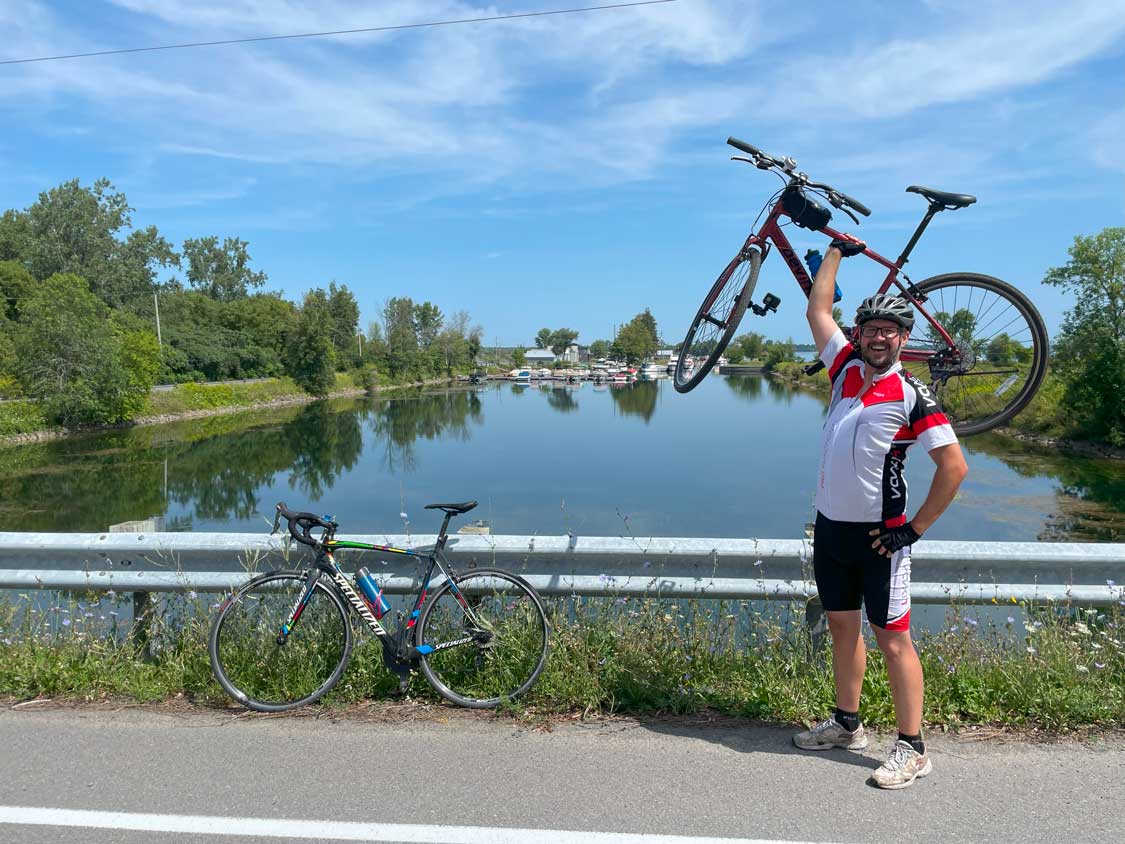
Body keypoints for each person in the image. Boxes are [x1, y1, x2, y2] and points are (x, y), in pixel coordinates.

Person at [793, 238, 969, 789]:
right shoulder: (843, 367)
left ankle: (913, 748)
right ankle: (848, 725)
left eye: (888, 330)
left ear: (903, 338)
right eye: (868, 329)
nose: (876, 337)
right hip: (830, 530)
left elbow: (954, 468)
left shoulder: (913, 395)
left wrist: (912, 531)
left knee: (893, 639)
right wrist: (834, 253)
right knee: (843, 629)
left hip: (879, 538)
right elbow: (818, 309)